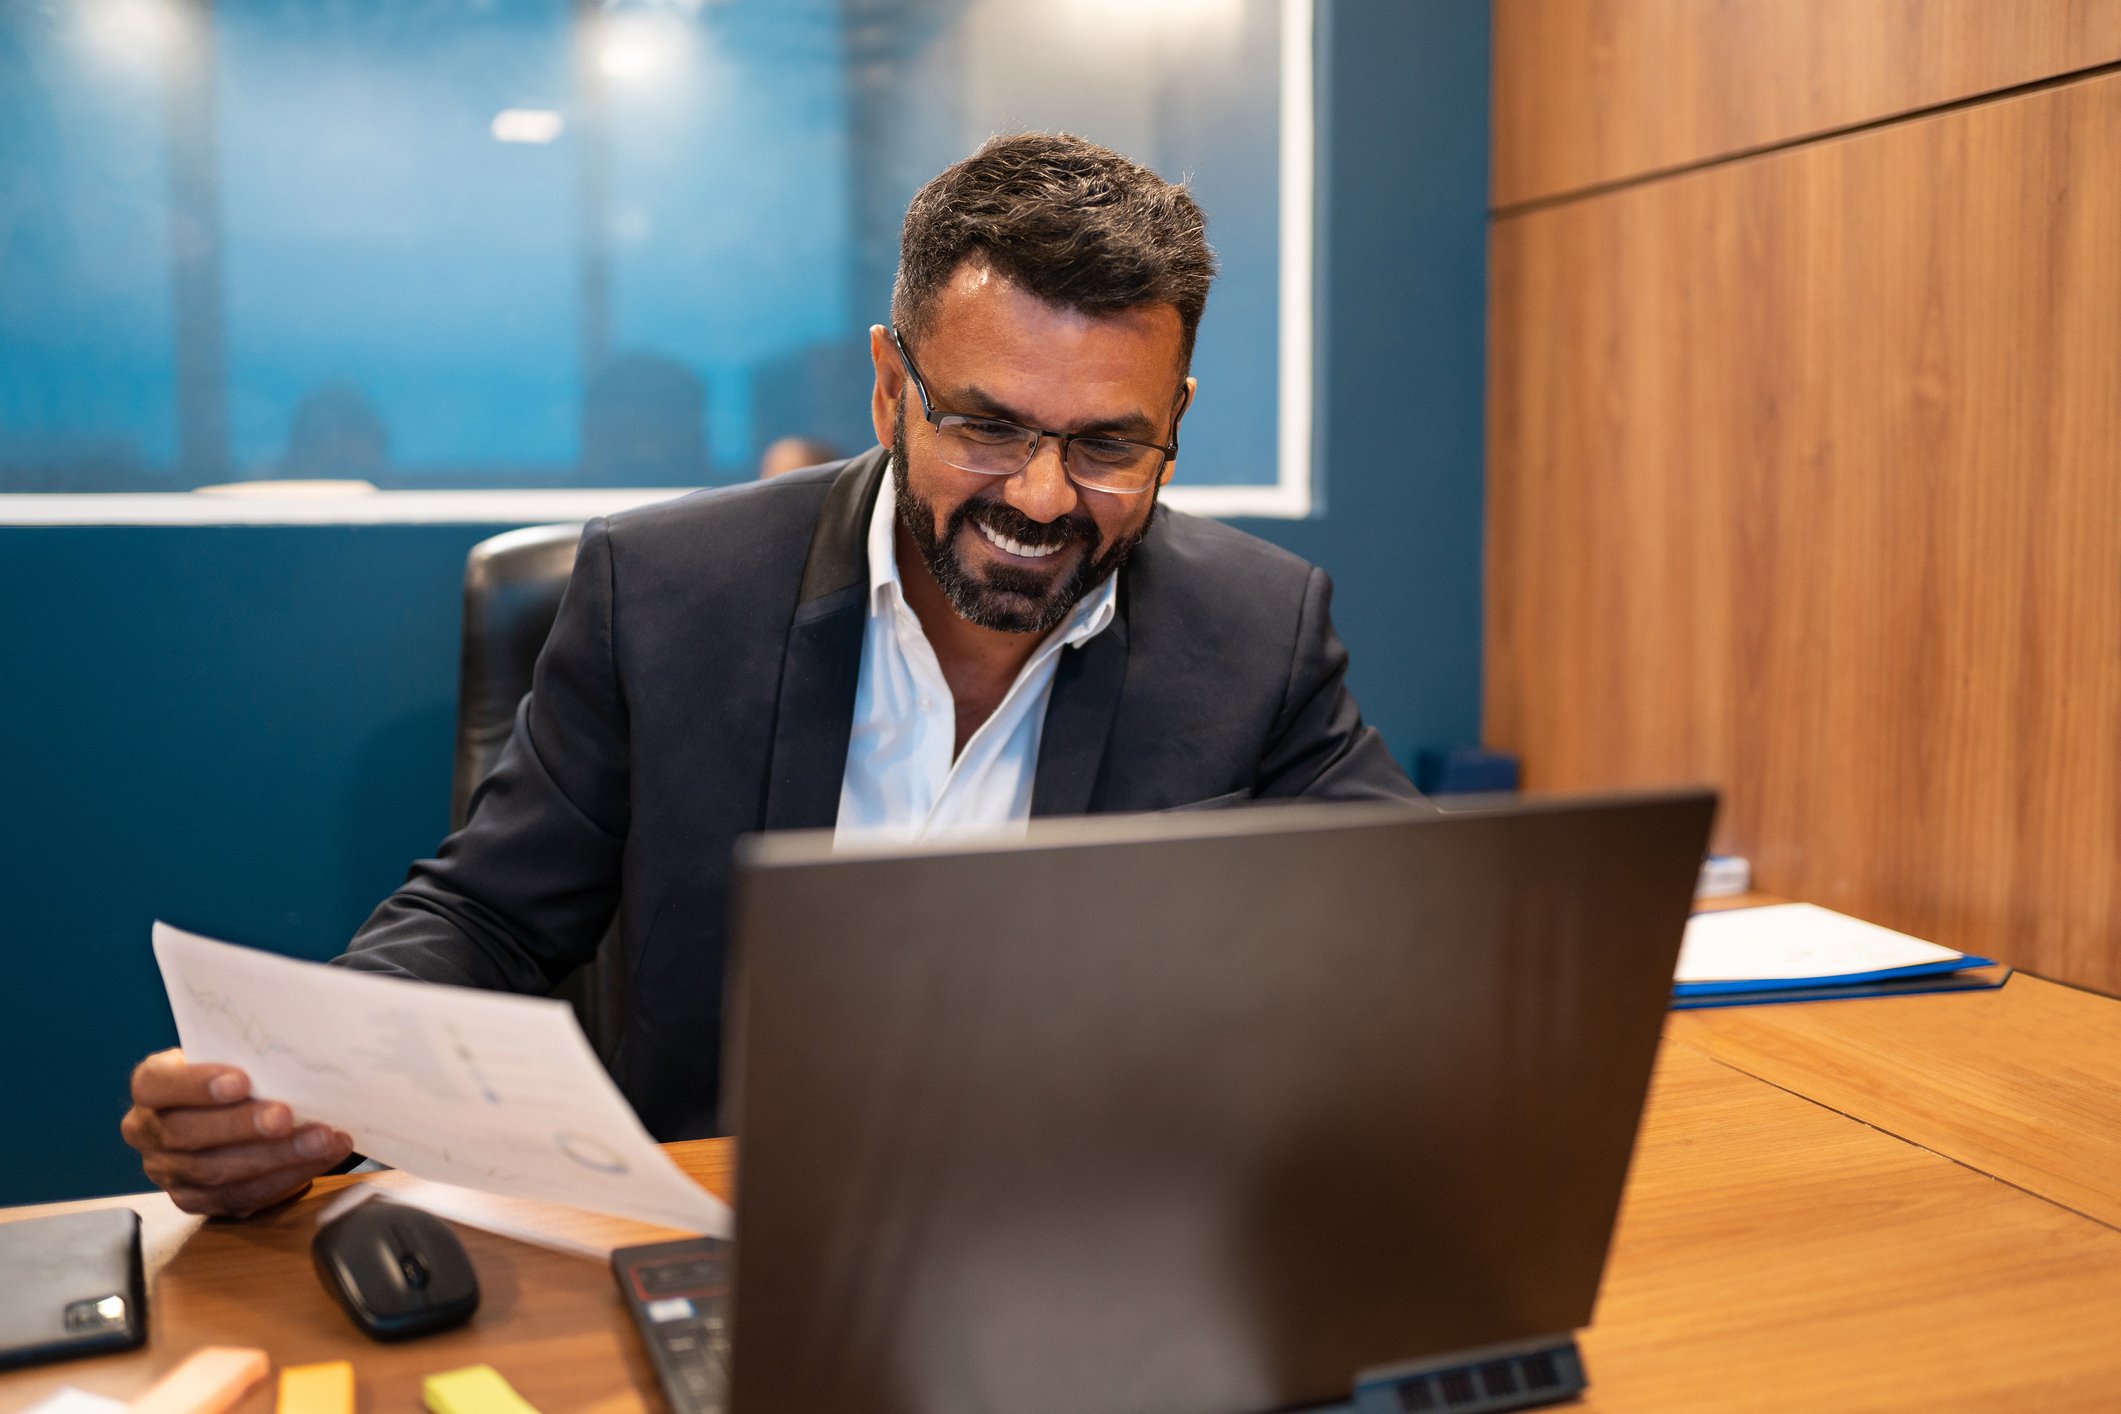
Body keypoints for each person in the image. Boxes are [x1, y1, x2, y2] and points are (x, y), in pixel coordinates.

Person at [121, 132, 1424, 1217]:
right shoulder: (665, 591)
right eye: (985, 426)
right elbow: (493, 917)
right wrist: (303, 1094)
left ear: (1175, 420)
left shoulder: (1253, 628)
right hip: (717, 1227)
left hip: (1073, 1230)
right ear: (886, 387)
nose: (1037, 497)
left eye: (1106, 446)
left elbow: (1410, 932)